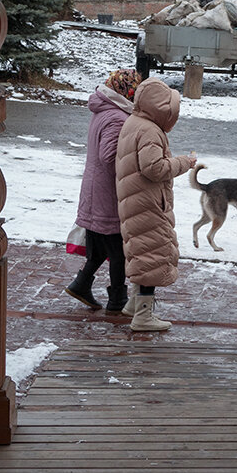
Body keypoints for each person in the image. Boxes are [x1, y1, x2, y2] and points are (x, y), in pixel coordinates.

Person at [115, 77, 199, 332]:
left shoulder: (134, 122)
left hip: (136, 199)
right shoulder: (150, 130)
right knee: (153, 253)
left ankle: (134, 302)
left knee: (142, 251)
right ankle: (143, 316)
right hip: (147, 202)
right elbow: (154, 168)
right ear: (160, 108)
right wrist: (185, 162)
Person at [65, 68, 141, 314]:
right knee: (117, 247)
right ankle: (117, 299)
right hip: (106, 192)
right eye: (134, 91)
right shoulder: (117, 117)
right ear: (126, 91)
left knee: (100, 244)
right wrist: (138, 163)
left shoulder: (104, 110)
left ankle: (82, 283)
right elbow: (109, 156)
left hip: (94, 187)